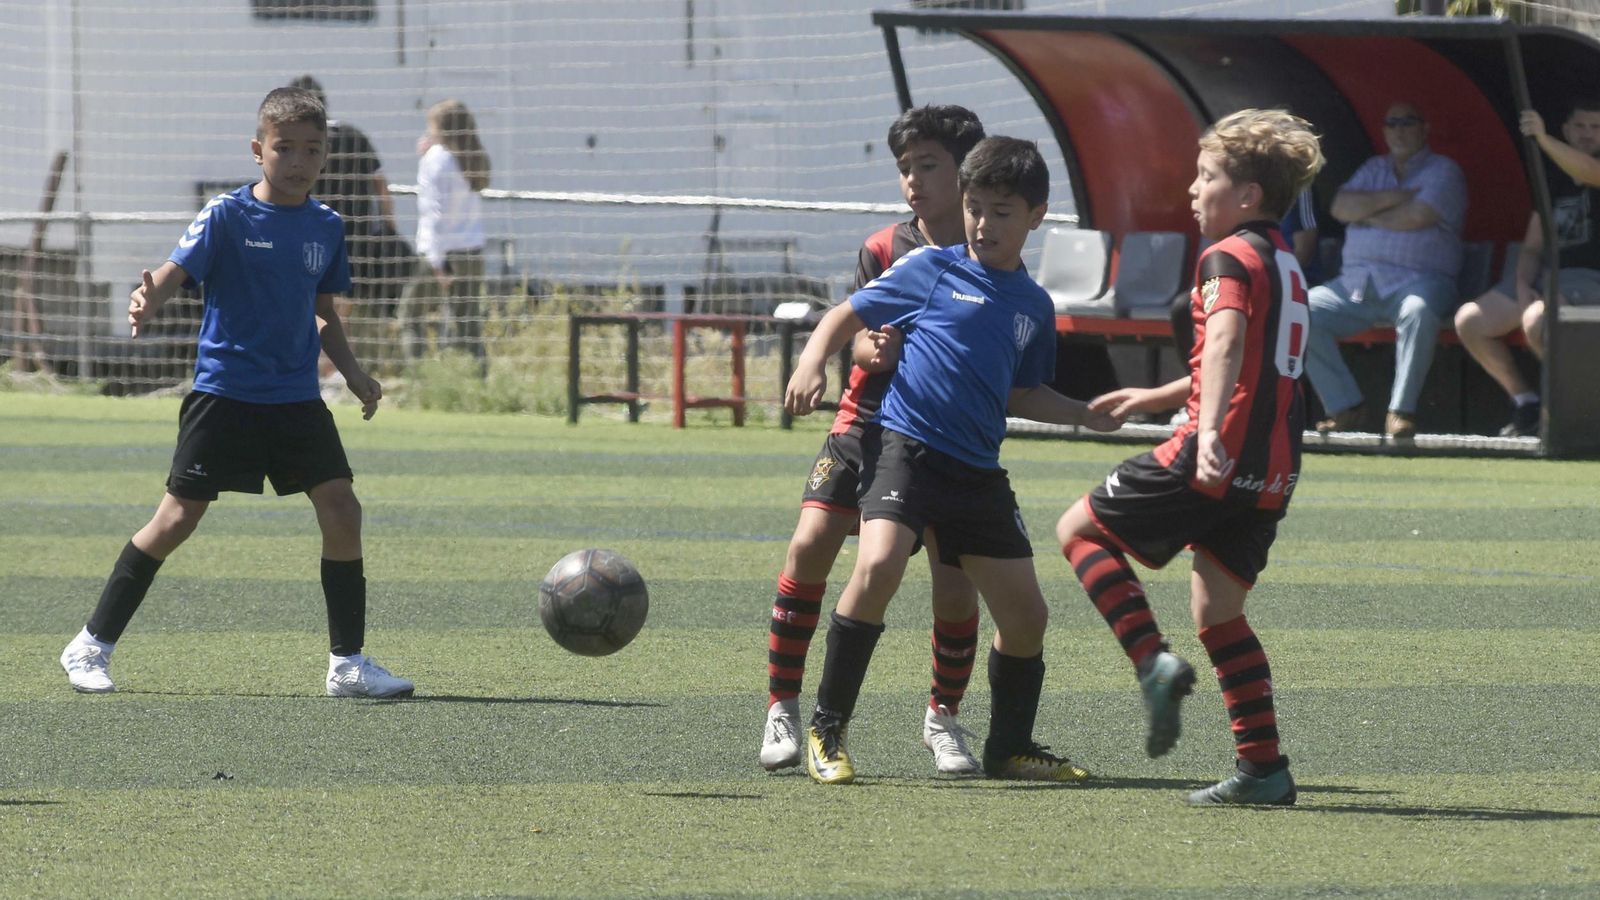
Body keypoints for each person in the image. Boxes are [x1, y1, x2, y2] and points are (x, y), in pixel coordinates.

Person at [57, 87, 413, 700]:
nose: (298, 161)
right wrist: (149, 297)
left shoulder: (327, 227)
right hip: (225, 395)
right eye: (285, 148)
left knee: (343, 510)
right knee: (176, 519)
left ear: (325, 157)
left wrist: (353, 373)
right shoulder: (226, 215)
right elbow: (173, 273)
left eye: (312, 150)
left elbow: (323, 311)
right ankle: (90, 644)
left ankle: (347, 664)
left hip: (296, 399)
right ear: (258, 150)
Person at [784, 136, 1119, 785]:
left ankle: (1009, 747)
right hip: (906, 450)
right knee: (878, 564)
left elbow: (1023, 392)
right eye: (975, 208)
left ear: (1036, 215)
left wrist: (1082, 412)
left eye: (1001, 211)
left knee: (1027, 617)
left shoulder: (1034, 306)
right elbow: (844, 316)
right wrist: (809, 360)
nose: (984, 224)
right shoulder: (931, 269)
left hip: (976, 471)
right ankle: (827, 730)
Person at [1057, 108, 1325, 805]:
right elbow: (1250, 360)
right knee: (1220, 613)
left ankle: (1151, 660)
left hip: (1216, 449)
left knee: (1077, 532)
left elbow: (1230, 344)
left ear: (1248, 197)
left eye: (1206, 177)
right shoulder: (1285, 262)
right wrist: (1155, 395)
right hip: (1270, 470)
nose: (1193, 190)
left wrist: (1203, 433)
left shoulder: (1225, 256)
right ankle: (1264, 768)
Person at [761, 105, 990, 777]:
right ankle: (782, 705)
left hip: (942, 437)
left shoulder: (989, 248)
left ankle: (942, 718)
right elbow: (859, 330)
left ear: (966, 172)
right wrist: (868, 351)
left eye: (928, 166)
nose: (913, 181)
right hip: (864, 423)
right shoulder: (886, 246)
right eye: (904, 169)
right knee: (809, 546)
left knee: (953, 585)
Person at [1305, 101, 1467, 440]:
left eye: (1408, 122)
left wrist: (1366, 211)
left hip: (1420, 281)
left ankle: (1401, 412)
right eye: (1392, 123)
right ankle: (1345, 407)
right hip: (1357, 285)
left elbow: (1417, 217)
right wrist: (1396, 196)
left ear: (1425, 128)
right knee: (1299, 310)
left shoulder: (1444, 170)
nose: (1399, 130)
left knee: (1418, 311)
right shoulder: (1373, 167)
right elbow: (1340, 207)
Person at [1454, 99, 1600, 437]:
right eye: (1580, 127)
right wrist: (1521, 284)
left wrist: (1543, 138)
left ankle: (1571, 410)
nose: (1588, 134)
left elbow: (1588, 172)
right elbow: (1533, 247)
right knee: (1470, 321)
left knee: (1537, 319)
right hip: (1549, 278)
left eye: (1596, 128)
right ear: (1567, 129)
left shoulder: (1581, 165)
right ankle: (1527, 402)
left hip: (1591, 279)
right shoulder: (1549, 182)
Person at [287, 75, 406, 364]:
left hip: (315, 233)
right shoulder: (354, 135)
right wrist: (389, 225)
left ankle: (329, 366)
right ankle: (337, 364)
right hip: (356, 235)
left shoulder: (300, 143)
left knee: (320, 302)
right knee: (338, 304)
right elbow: (380, 183)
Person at [1170, 187, 1320, 372]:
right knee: (1183, 306)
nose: (1194, 188)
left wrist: (1272, 279)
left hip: (1285, 281)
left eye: (1208, 177)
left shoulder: (1298, 190)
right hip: (1245, 278)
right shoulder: (1234, 203)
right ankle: (1197, 380)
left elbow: (1305, 245)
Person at [397, 99, 491, 372]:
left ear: (442, 128)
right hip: (472, 250)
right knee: (468, 323)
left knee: (410, 315)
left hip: (444, 253)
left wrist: (439, 263)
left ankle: (421, 379)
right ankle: (478, 379)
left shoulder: (437, 159)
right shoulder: (471, 157)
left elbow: (434, 213)